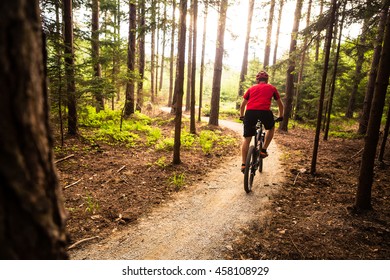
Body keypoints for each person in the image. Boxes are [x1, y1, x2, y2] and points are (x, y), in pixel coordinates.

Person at [239, 70, 284, 173]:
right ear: (267, 80)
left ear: (257, 80)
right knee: (271, 128)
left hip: (250, 113)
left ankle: (243, 164)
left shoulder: (251, 89)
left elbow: (242, 105)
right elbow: (280, 105)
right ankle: (263, 150)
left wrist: (242, 116)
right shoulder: (272, 88)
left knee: (247, 139)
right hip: (265, 112)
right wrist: (280, 116)